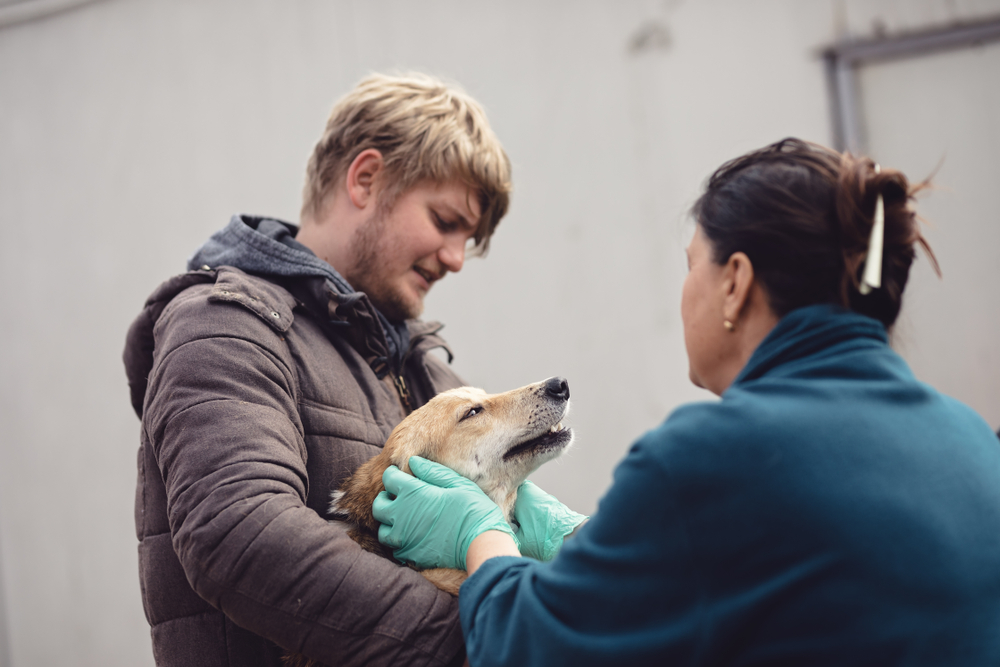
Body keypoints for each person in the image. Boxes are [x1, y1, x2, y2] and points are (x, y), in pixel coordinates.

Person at [373, 138, 1000, 666]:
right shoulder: (972, 441)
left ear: (735, 284)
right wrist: (570, 539)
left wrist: (482, 535)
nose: (683, 293)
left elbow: (524, 646)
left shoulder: (712, 456)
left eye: (691, 264)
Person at [123, 73, 511, 667]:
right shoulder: (226, 324)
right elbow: (240, 534)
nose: (457, 259)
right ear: (365, 178)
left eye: (470, 238)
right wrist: (488, 636)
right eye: (444, 221)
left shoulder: (429, 371)